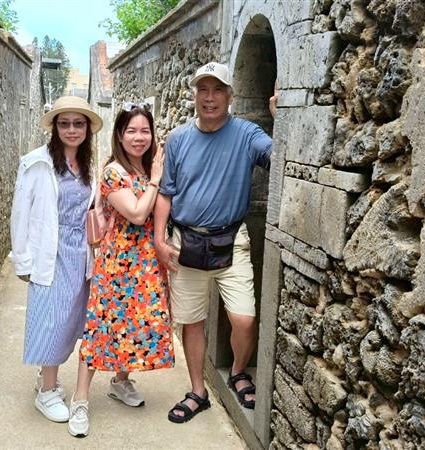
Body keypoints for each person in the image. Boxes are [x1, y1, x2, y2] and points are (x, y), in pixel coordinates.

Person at [153, 62, 278, 423]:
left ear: (230, 95)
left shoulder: (247, 134)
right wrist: (159, 239)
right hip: (186, 241)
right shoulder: (178, 139)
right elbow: (166, 193)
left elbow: (278, 159)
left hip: (232, 240)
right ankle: (198, 391)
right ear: (195, 95)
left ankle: (238, 371)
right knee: (192, 321)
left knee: (244, 319)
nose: (210, 98)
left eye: (218, 89)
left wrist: (280, 119)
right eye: (203, 90)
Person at [67, 102, 175, 438]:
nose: (139, 137)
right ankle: (80, 400)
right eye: (132, 131)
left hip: (146, 263)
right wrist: (156, 180)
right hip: (117, 264)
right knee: (101, 328)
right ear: (119, 134)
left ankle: (120, 380)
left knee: (135, 324)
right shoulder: (114, 172)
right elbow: (138, 214)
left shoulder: (146, 168)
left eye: (145, 130)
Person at [10, 96, 103, 423]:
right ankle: (47, 390)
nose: (71, 130)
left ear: (87, 128)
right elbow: (20, 213)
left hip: (80, 252)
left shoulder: (89, 166)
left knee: (71, 320)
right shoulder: (36, 163)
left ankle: (45, 379)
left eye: (78, 124)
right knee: (50, 319)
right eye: (65, 124)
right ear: (55, 128)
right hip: (50, 250)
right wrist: (22, 260)